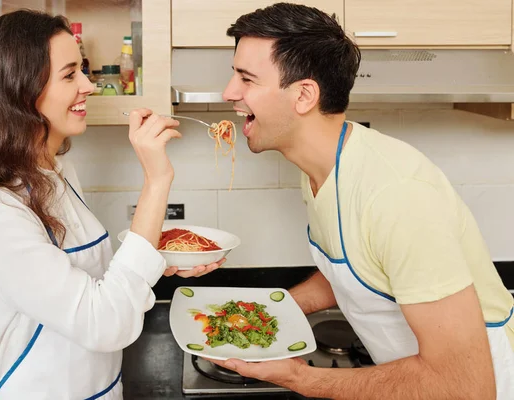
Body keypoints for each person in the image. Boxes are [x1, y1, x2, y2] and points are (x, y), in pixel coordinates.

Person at [208, 3, 514, 399]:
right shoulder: (325, 165)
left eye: (246, 78)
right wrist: (263, 312)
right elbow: (355, 269)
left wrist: (300, 379)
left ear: (303, 95)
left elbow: (465, 386)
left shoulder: (396, 197)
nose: (229, 92)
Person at [0, 10, 223, 400]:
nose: (89, 86)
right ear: (21, 90)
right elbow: (105, 322)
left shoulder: (55, 172)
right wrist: (158, 178)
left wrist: (158, 263)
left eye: (83, 70)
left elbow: (86, 288)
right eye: (69, 75)